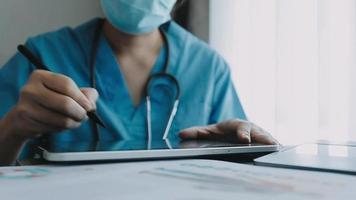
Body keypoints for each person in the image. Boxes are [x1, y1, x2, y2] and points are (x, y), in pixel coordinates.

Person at [0, 0, 278, 165]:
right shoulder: (43, 56)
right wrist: (12, 129)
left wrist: (243, 148)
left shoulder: (208, 67)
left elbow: (236, 177)